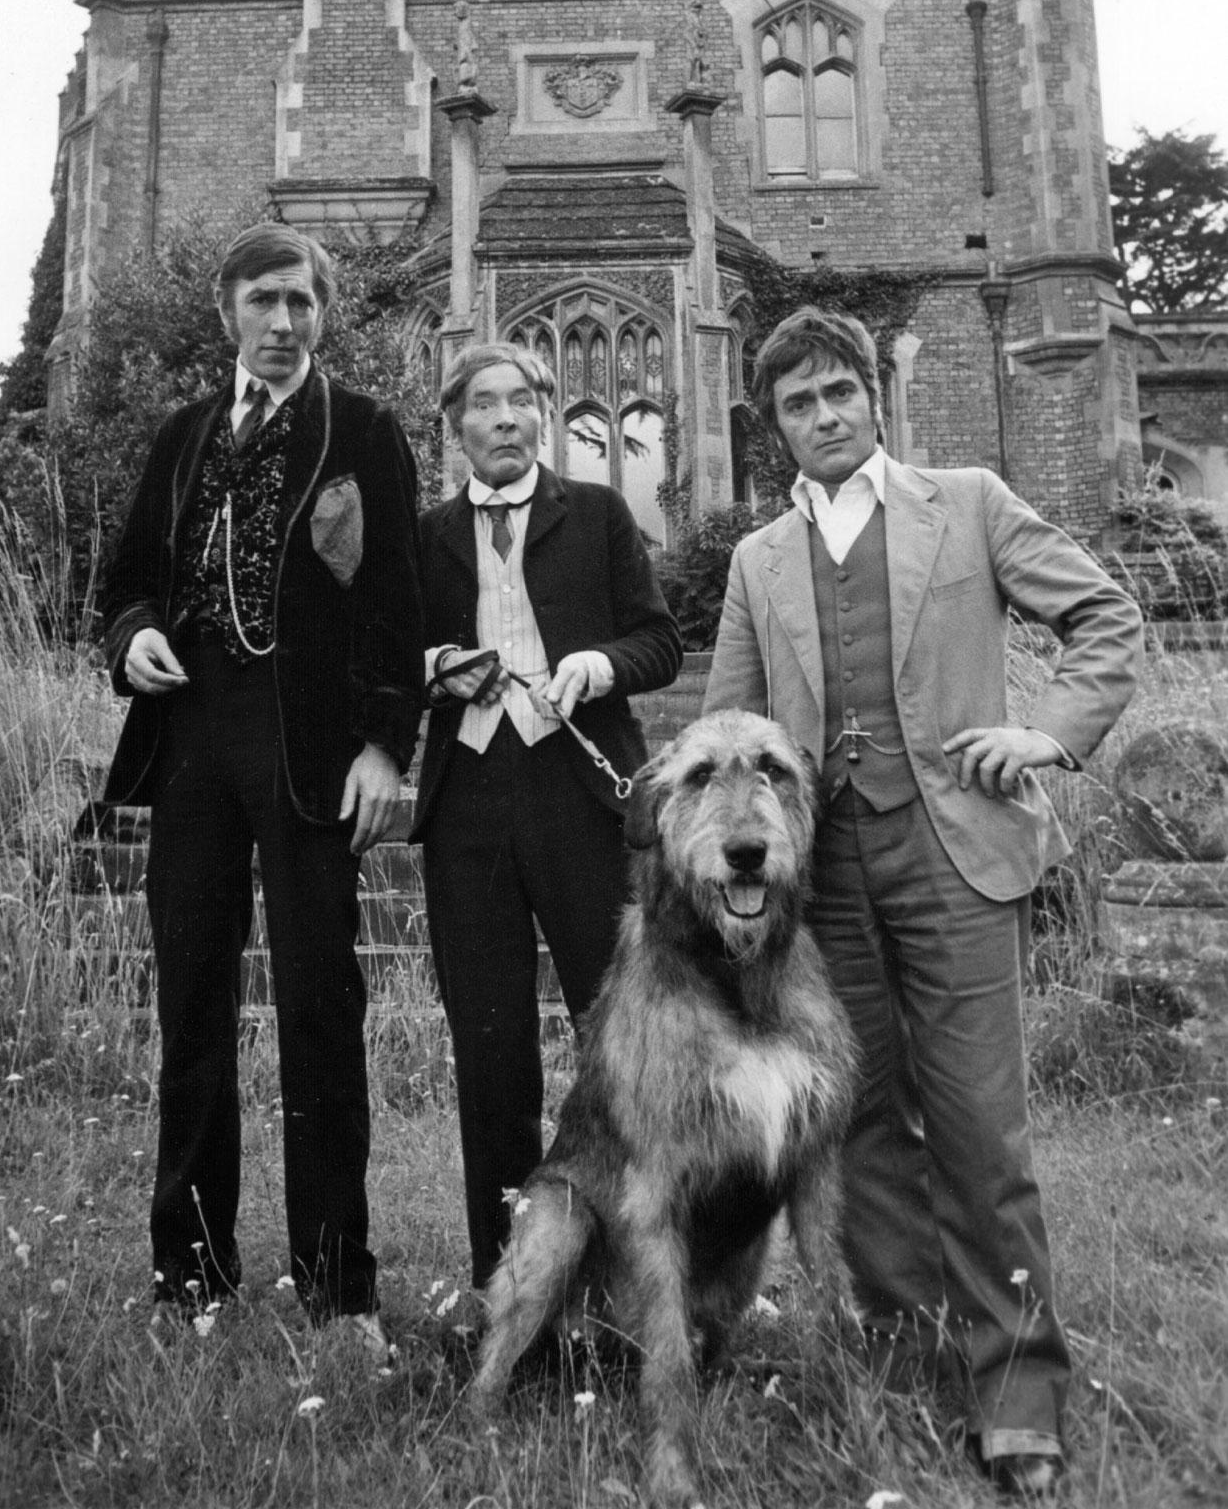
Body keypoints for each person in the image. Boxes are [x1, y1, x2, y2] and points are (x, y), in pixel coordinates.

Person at [703, 306, 1143, 1502]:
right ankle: (911, 1360)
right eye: (798, 403)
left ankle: (1015, 1393)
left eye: (838, 390)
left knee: (979, 1129)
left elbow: (1105, 618)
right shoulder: (758, 560)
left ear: (871, 395)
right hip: (823, 879)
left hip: (954, 855)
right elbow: (734, 736)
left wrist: (1042, 733)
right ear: (775, 424)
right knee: (857, 1128)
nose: (824, 415)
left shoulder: (971, 501)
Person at [101, 223, 424, 1355]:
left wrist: (388, 745)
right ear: (227, 309)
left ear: (322, 312)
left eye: (301, 303)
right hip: (190, 745)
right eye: (263, 303)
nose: (283, 324)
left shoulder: (365, 431)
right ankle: (189, 1277)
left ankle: (339, 1289)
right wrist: (133, 633)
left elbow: (398, 601)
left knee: (321, 1010)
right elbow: (128, 580)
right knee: (190, 1006)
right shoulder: (184, 437)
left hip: (310, 756)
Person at [414, 342, 682, 1290]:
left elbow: (659, 643)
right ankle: (508, 1279)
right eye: (483, 405)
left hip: (581, 800)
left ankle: (648, 1266)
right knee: (489, 1049)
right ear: (457, 428)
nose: (504, 419)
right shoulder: (427, 534)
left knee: (618, 1042)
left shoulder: (600, 513)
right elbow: (387, 656)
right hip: (468, 810)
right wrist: (435, 669)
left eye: (521, 401)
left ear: (541, 414)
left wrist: (597, 666)